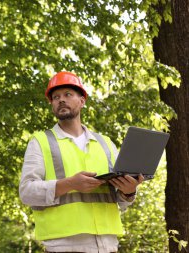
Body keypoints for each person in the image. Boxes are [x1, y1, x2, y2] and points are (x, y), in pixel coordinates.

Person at [19, 71, 144, 253]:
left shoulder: (105, 143)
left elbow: (121, 201)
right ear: (52, 104)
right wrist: (70, 184)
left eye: (68, 94)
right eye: (56, 97)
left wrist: (129, 191)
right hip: (64, 246)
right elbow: (27, 192)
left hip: (108, 245)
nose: (61, 100)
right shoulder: (40, 141)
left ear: (82, 101)